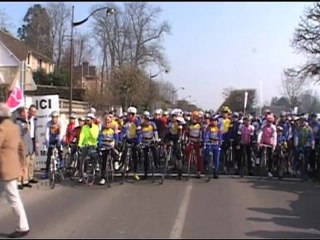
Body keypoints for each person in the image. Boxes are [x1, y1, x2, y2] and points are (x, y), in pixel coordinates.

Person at [0, 103, 30, 238]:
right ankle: (23, 225)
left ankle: (23, 226)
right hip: (12, 167)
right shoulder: (14, 127)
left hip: (4, 168)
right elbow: (21, 148)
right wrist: (23, 166)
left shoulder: (2, 128)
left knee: (13, 198)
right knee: (14, 197)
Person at [77, 113, 100, 183]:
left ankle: (95, 166)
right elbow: (82, 135)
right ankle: (81, 175)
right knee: (82, 159)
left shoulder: (96, 127)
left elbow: (94, 136)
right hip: (86, 145)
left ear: (92, 120)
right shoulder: (84, 127)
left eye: (89, 120)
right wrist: (79, 144)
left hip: (93, 144)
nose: (87, 122)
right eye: (86, 120)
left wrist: (90, 129)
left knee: (94, 156)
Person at [15, 107, 33, 190]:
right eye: (25, 112)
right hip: (21, 146)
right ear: (21, 113)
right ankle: (18, 181)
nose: (27, 113)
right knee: (20, 165)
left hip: (28, 146)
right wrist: (24, 129)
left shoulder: (27, 121)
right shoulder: (18, 122)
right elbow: (18, 134)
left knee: (26, 164)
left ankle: (25, 180)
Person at [43, 111, 64, 179]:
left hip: (58, 138)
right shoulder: (48, 123)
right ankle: (46, 172)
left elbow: (61, 133)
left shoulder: (60, 123)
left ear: (57, 118)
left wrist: (59, 140)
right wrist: (47, 143)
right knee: (49, 156)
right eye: (53, 117)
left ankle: (61, 161)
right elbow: (46, 134)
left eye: (55, 117)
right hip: (51, 139)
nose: (54, 119)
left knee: (59, 148)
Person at [27, 104, 38, 184]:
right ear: (29, 111)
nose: (33, 113)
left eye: (34, 111)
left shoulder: (35, 120)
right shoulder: (26, 119)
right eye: (32, 111)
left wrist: (37, 141)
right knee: (26, 160)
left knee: (32, 160)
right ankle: (25, 179)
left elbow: (36, 131)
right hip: (27, 140)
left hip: (33, 139)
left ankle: (31, 177)